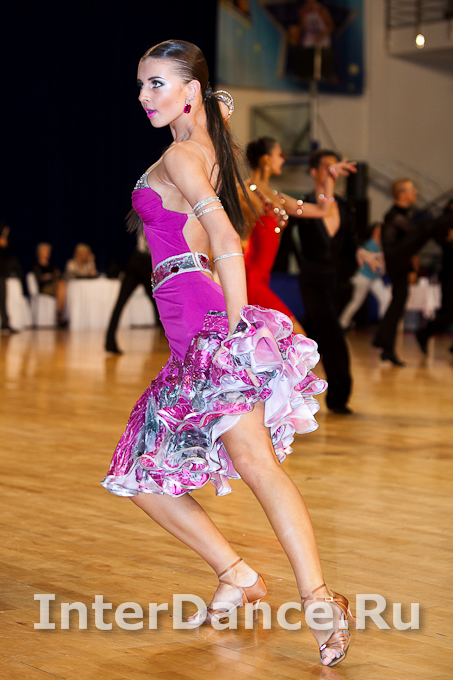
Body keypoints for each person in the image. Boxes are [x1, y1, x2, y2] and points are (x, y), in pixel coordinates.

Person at [101, 40, 354, 668]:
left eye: (157, 83)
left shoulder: (183, 155)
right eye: (140, 85)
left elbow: (224, 236)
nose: (144, 96)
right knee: (140, 471)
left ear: (190, 90)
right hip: (190, 324)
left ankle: (319, 601)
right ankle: (237, 574)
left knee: (253, 461)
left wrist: (236, 329)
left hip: (204, 321)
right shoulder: (204, 146)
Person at [240, 136, 356, 337]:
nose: (284, 159)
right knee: (297, 335)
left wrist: (330, 180)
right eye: (280, 154)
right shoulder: (243, 192)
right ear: (267, 159)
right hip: (250, 279)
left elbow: (322, 210)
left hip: (263, 279)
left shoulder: (278, 198)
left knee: (272, 341)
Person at [296, 149, 378, 414]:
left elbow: (350, 241)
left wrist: (361, 251)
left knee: (310, 336)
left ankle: (289, 391)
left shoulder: (344, 205)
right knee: (333, 334)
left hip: (336, 282)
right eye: (327, 167)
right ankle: (339, 396)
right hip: (312, 280)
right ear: (314, 172)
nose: (334, 171)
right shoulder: (302, 204)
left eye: (336, 167)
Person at [373, 179, 449, 366]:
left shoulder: (403, 215)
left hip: (400, 262)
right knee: (428, 225)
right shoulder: (394, 216)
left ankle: (386, 346)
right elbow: (409, 236)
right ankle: (385, 344)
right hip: (396, 262)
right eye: (411, 189)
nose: (415, 192)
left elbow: (410, 238)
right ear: (402, 194)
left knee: (398, 303)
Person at [105, 230, 160, 354]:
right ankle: (171, 342)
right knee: (157, 303)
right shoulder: (155, 221)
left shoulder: (144, 220)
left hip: (136, 260)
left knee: (120, 303)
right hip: (144, 262)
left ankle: (109, 341)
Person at [415, 199, 453, 355]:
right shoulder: (444, 224)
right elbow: (440, 238)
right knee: (449, 312)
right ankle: (424, 334)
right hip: (450, 275)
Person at [340, 222, 391, 330]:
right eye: (378, 229)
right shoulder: (370, 244)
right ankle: (342, 323)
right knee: (356, 302)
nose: (381, 231)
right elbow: (370, 262)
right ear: (374, 231)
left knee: (386, 297)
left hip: (375, 278)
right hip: (364, 277)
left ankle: (385, 325)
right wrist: (378, 263)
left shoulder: (381, 244)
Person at [33, 242, 67, 327]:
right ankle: (59, 314)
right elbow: (41, 279)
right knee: (61, 286)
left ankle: (60, 313)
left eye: (48, 252)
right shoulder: (37, 266)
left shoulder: (52, 265)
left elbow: (58, 275)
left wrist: (49, 276)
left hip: (54, 286)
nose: (47, 253)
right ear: (39, 253)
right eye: (45, 251)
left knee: (62, 285)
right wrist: (51, 276)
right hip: (44, 288)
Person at [0, 221, 19, 334]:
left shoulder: (3, 227)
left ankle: (5, 323)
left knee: (2, 298)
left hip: (1, 271)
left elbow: (9, 245)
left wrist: (4, 243)